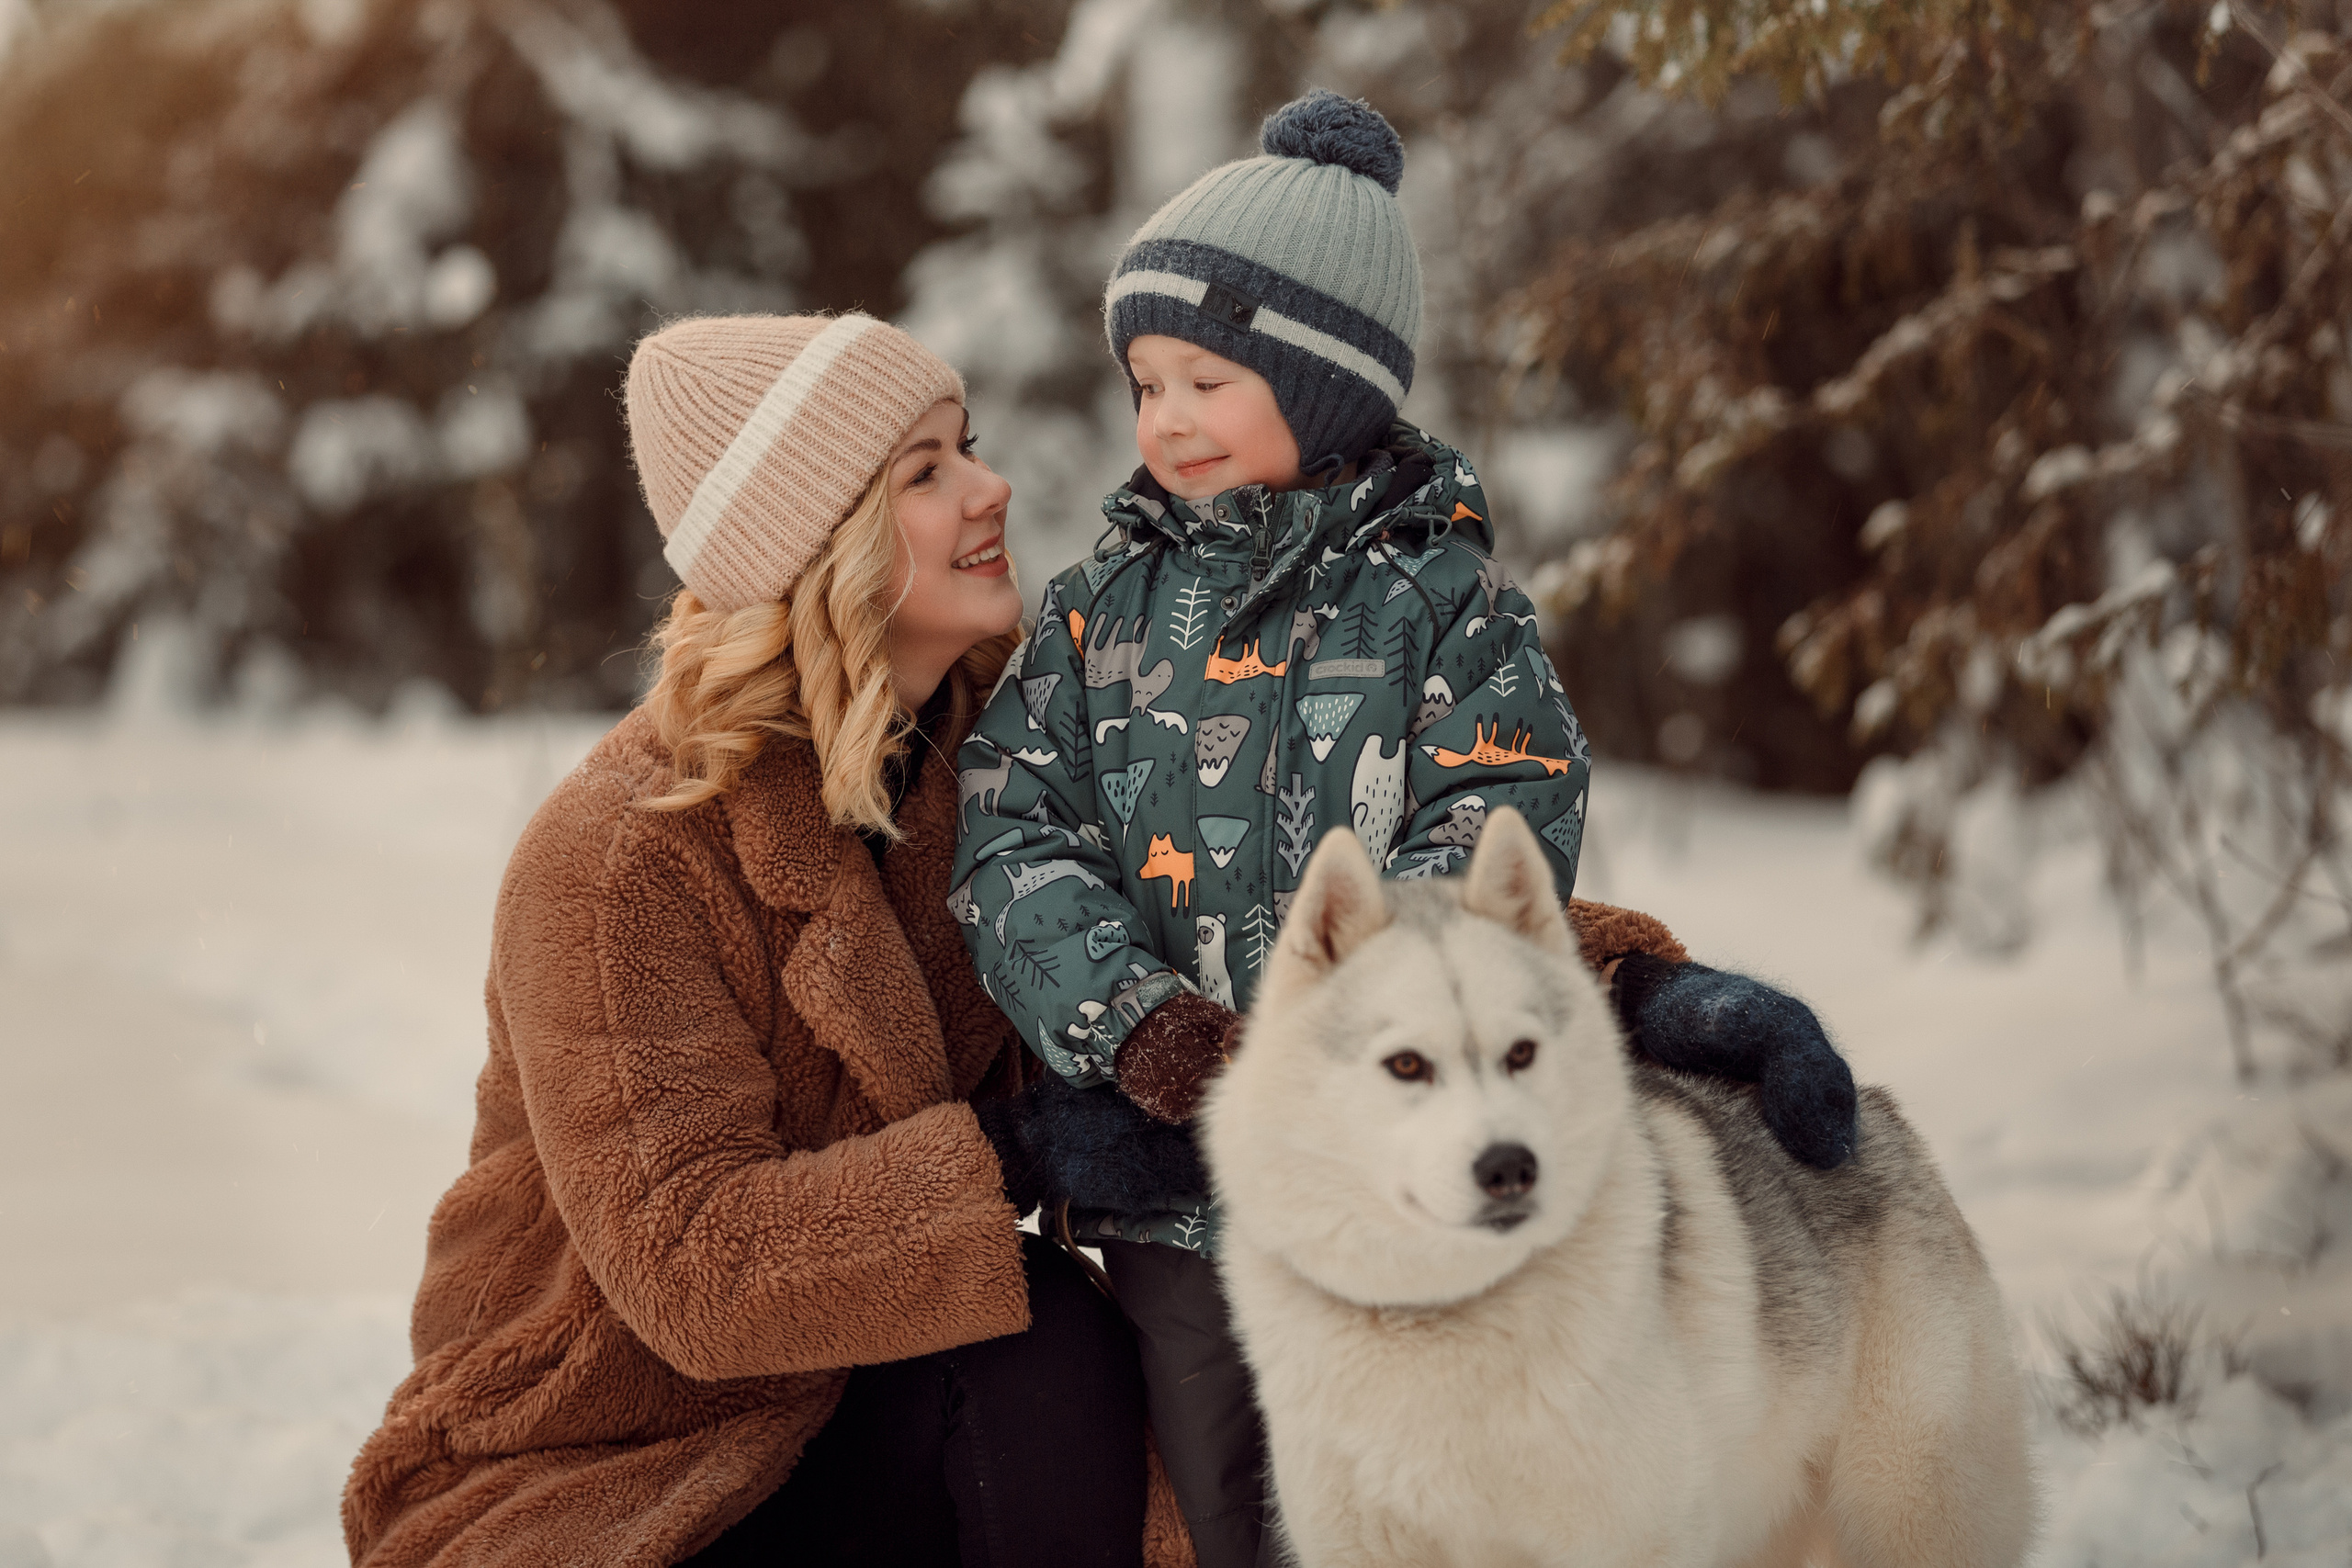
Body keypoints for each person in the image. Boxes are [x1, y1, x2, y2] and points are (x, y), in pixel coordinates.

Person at [951, 93, 1860, 1568]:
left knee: (1410, 1489)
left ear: (1320, 392)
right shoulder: (1093, 620)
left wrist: (1381, 1024)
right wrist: (1134, 1024)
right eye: (1144, 383)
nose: (1164, 418)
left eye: (1205, 380)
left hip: (1407, 1181)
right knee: (1228, 1491)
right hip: (1175, 1187)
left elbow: (1499, 823)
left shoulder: (1449, 614)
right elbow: (1010, 836)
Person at [342, 312, 1166, 1568]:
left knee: (1046, 1339)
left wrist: (1551, 968)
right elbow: (696, 1263)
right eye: (926, 472)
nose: (992, 488)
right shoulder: (621, 856)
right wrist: (1024, 1148)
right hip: (605, 1464)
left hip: (854, 1411)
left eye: (970, 448)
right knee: (1026, 1324)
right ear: (819, 548)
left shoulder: (1003, 761)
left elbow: (1243, 888)